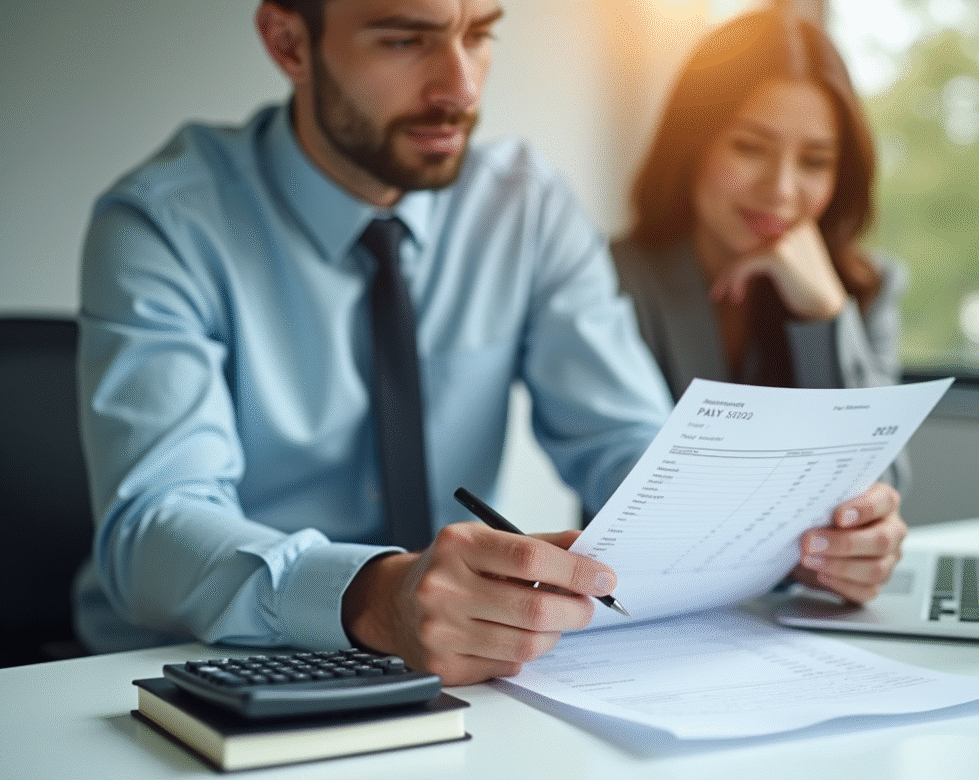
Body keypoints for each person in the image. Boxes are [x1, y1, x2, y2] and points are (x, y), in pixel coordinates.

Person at [75, 0, 906, 687]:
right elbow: (154, 524)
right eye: (406, 39)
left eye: (480, 33)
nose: (459, 88)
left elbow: (630, 449)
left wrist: (799, 540)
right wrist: (372, 595)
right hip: (185, 666)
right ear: (289, 41)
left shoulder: (526, 206)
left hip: (445, 671)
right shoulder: (163, 225)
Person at [614, 9, 910, 507]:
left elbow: (885, 483)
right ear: (693, 145)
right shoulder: (614, 279)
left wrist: (827, 315)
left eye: (815, 162)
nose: (781, 191)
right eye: (751, 148)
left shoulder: (870, 285)